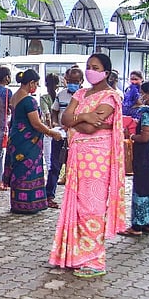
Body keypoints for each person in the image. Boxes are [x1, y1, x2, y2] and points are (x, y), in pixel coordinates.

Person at [50, 53, 126, 278]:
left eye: (95, 67)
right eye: (88, 66)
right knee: (78, 205)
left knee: (93, 207)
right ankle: (74, 255)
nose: (90, 70)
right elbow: (64, 119)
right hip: (78, 157)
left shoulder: (112, 97)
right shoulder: (82, 93)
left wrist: (78, 119)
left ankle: (94, 260)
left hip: (98, 159)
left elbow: (93, 128)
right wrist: (86, 116)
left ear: (106, 72)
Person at [2, 69, 63, 215]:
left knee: (18, 169)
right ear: (31, 83)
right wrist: (51, 133)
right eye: (35, 83)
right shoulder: (29, 100)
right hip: (28, 141)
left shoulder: (15, 97)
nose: (35, 86)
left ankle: (17, 203)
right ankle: (29, 204)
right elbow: (36, 123)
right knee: (28, 170)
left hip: (16, 138)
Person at [120, 81, 149, 236]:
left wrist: (131, 136)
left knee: (141, 190)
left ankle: (137, 226)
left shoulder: (147, 113)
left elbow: (145, 137)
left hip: (145, 158)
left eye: (142, 93)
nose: (140, 96)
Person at [48, 67, 82, 206]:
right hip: (61, 136)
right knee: (55, 165)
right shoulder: (61, 94)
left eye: (75, 81)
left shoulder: (85, 96)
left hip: (78, 137)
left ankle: (76, 199)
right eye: (70, 81)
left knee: (76, 168)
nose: (72, 83)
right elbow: (54, 110)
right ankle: (49, 195)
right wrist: (55, 122)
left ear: (81, 81)